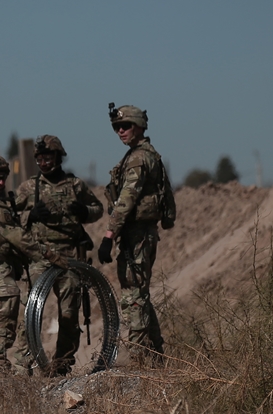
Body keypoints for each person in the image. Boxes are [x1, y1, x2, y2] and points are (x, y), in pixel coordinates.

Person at [0, 153, 68, 379]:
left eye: (2, 178)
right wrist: (48, 254)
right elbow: (16, 236)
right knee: (7, 300)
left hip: (1, 266)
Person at [11, 135, 104, 376]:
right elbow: (9, 219)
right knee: (32, 311)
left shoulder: (75, 186)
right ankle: (24, 366)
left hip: (70, 255)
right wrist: (30, 216)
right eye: (40, 158)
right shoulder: (29, 187)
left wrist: (83, 211)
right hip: (40, 255)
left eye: (48, 157)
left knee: (69, 314)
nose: (44, 162)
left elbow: (97, 209)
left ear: (58, 157)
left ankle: (61, 365)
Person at [97, 104, 168, 364]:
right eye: (117, 127)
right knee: (140, 294)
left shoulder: (138, 158)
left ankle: (138, 361)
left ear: (139, 126)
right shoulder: (142, 155)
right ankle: (157, 358)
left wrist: (108, 234)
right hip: (138, 234)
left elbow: (127, 199)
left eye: (125, 126)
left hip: (137, 235)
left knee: (134, 297)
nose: (120, 131)